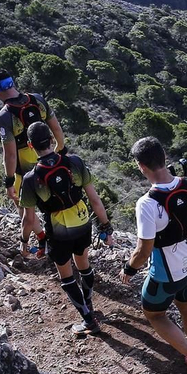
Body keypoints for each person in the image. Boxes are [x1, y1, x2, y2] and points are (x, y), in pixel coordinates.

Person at [121, 137, 187, 374]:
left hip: (166, 274)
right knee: (186, 305)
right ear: (164, 157)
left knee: (155, 314)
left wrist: (129, 269)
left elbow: (144, 250)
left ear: (141, 167)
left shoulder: (146, 204)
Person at [19, 121, 113, 333]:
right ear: (52, 140)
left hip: (58, 229)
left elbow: (28, 219)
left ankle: (88, 320)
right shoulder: (75, 162)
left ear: (31, 145)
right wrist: (106, 226)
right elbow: (95, 199)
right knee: (83, 264)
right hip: (82, 221)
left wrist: (24, 241)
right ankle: (89, 304)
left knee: (67, 276)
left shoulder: (31, 179)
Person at [0, 69, 65, 209]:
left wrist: (9, 181)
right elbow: (56, 129)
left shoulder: (3, 116)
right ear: (12, 83)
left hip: (23, 166)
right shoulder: (37, 99)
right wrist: (59, 149)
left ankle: (35, 225)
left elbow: (10, 155)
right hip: (47, 156)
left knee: (21, 205)